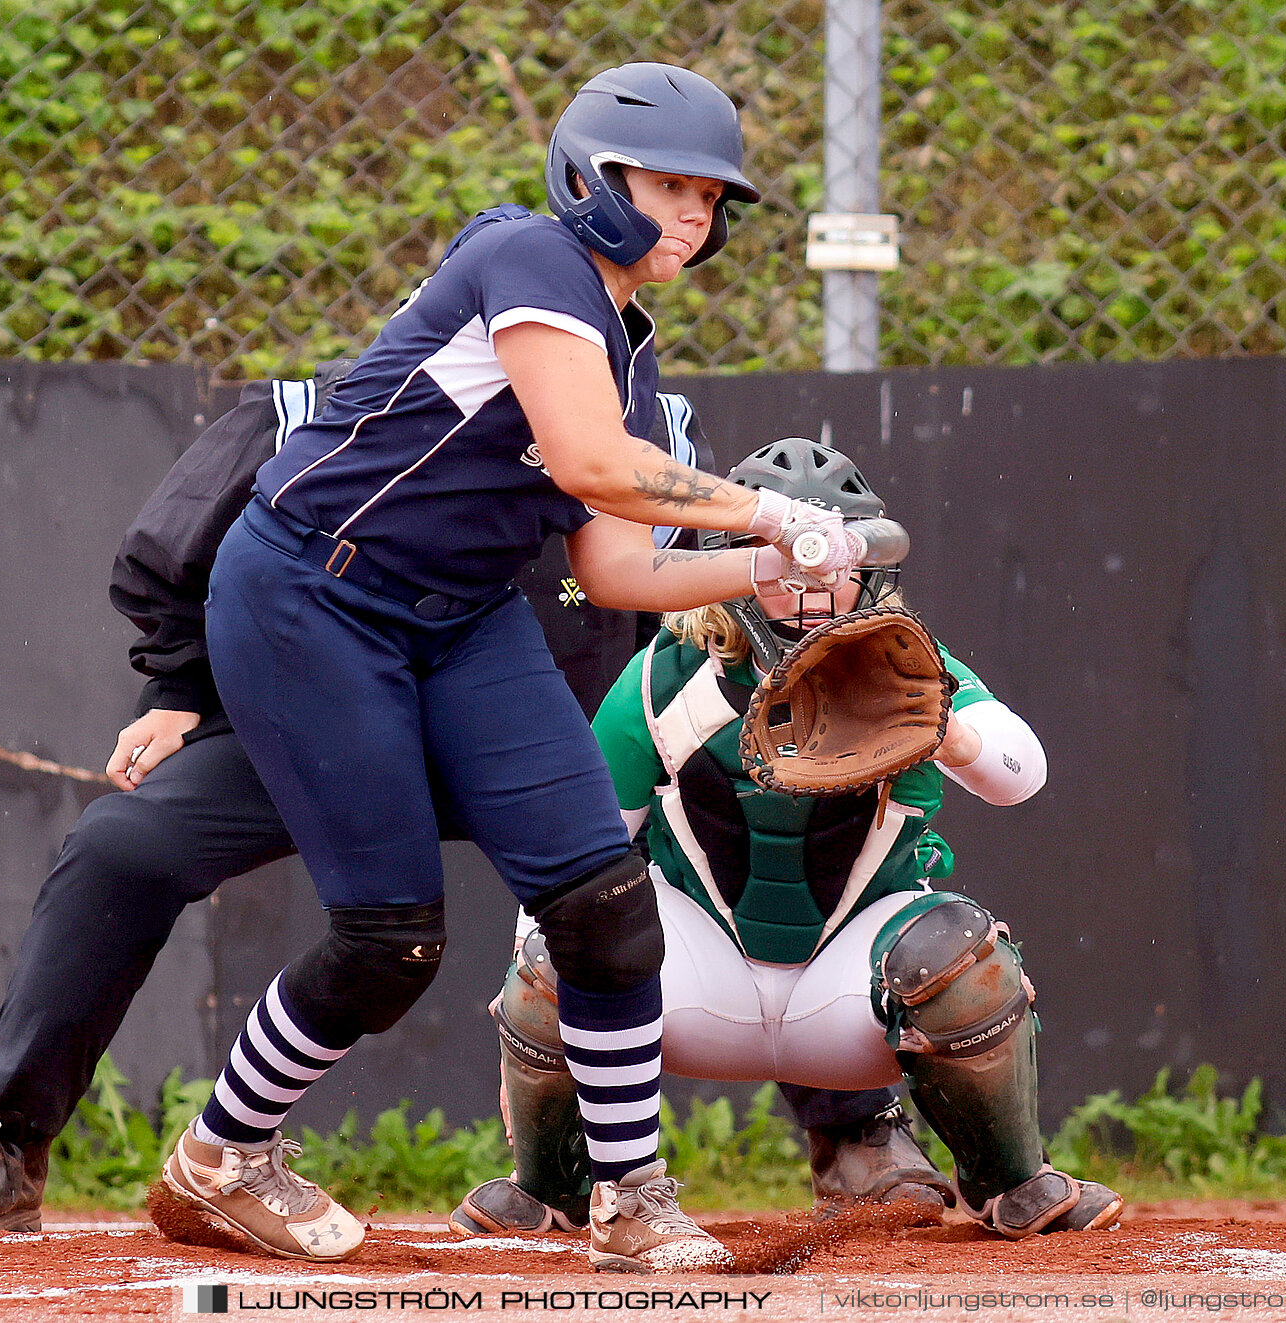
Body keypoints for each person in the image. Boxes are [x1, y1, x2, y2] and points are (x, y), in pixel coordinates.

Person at [158, 63, 870, 1273]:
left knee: (604, 903)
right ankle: (223, 1158)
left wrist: (774, 579)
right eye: (669, 186)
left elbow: (622, 572)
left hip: (463, 616)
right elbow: (594, 465)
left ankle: (631, 1200)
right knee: (389, 937)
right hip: (308, 593)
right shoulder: (528, 260)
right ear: (590, 178)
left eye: (712, 196)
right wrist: (770, 516)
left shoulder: (626, 348)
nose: (696, 215)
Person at [0, 359, 694, 1234]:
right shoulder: (315, 417)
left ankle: (801, 1138)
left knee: (616, 897)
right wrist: (176, 687)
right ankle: (3, 1138)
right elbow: (181, 550)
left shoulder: (647, 438)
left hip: (531, 746)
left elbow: (690, 627)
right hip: (317, 724)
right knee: (125, 847)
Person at [452, 439, 1126, 1242]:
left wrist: (943, 731)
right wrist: (537, 984)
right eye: (780, 557)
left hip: (846, 988)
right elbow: (575, 859)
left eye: (832, 556)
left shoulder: (910, 666)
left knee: (963, 956)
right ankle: (553, 1187)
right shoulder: (666, 677)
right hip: (697, 978)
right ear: (730, 566)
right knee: (563, 951)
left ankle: (1008, 1182)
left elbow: (1024, 773)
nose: (811, 583)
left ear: (869, 564)